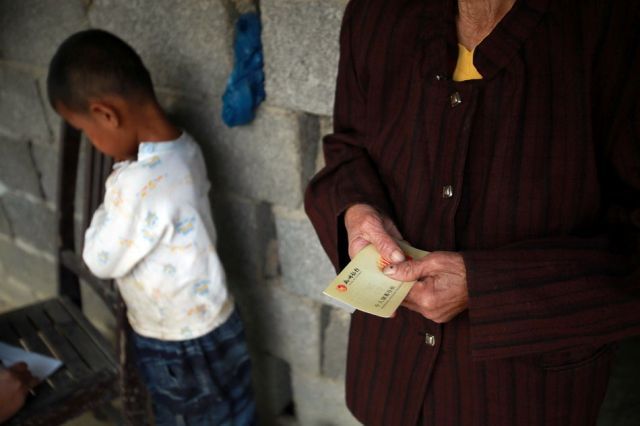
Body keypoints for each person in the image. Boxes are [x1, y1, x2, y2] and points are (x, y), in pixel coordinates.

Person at [305, 0, 640, 425]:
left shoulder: (616, 30)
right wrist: (356, 210)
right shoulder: (376, 12)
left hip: (521, 398)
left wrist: (488, 290)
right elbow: (347, 147)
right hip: (387, 378)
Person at [46, 30, 255, 426]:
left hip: (175, 343)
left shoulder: (135, 183)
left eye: (87, 131)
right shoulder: (185, 146)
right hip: (219, 320)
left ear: (106, 115)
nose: (93, 141)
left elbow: (99, 259)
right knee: (236, 410)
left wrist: (113, 189)